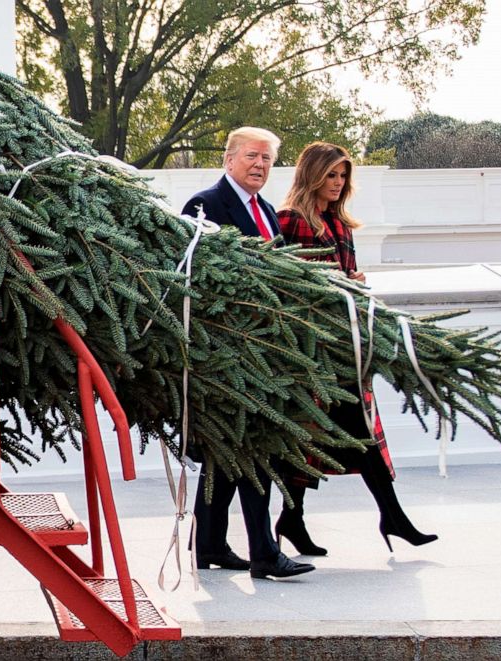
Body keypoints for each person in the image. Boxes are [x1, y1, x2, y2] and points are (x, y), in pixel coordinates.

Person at [275, 141, 438, 555]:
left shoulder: (340, 223)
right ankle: (382, 518)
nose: (338, 182)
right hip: (315, 347)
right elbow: (291, 284)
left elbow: (344, 276)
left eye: (343, 175)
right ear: (311, 174)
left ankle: (303, 518)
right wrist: (344, 285)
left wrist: (355, 282)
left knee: (351, 431)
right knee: (320, 435)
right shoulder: (292, 220)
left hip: (346, 345)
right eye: (330, 174)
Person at [181, 127, 314, 579]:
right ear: (229, 159)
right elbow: (194, 276)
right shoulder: (205, 205)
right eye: (253, 156)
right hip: (226, 352)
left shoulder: (269, 214)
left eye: (268, 160)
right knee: (258, 448)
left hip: (263, 349)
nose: (260, 165)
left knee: (228, 453)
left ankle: (208, 545)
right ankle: (264, 552)